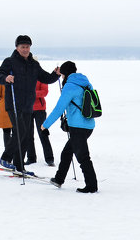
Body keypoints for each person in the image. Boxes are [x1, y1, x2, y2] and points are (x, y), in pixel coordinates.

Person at [0, 35, 60, 176]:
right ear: (17, 48)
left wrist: (55, 74)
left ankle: (19, 167)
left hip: (28, 106)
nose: (25, 49)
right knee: (21, 132)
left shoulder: (34, 65)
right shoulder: (10, 62)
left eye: (27, 47)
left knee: (25, 136)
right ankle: (6, 157)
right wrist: (5, 78)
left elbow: (45, 78)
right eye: (22, 47)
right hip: (14, 104)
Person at [40, 61, 98, 193]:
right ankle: (59, 179)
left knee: (83, 157)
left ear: (65, 74)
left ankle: (91, 186)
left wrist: (45, 125)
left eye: (62, 74)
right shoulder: (85, 82)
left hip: (78, 127)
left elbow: (59, 109)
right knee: (67, 152)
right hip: (89, 125)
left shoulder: (70, 86)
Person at [28, 81, 54, 166]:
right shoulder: (25, 75)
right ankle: (31, 158)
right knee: (28, 134)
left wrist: (31, 93)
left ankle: (49, 158)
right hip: (27, 109)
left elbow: (44, 92)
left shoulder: (41, 77)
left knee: (43, 133)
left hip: (40, 109)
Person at [0, 83, 14, 156]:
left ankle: (8, 154)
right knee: (18, 132)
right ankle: (16, 154)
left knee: (6, 132)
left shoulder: (2, 79)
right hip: (17, 107)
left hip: (5, 108)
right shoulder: (19, 76)